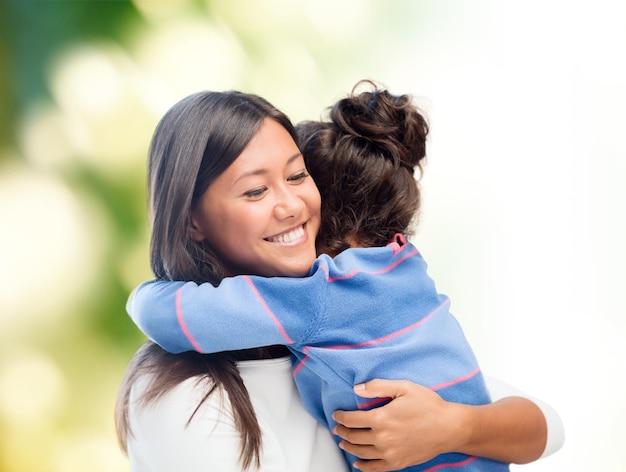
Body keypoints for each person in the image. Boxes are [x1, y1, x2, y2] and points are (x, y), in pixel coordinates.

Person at [115, 86, 563, 472]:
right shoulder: (185, 391)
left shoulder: (326, 305)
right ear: (192, 220)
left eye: (296, 175)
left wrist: (453, 426)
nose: (290, 205)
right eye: (255, 190)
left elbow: (547, 424)